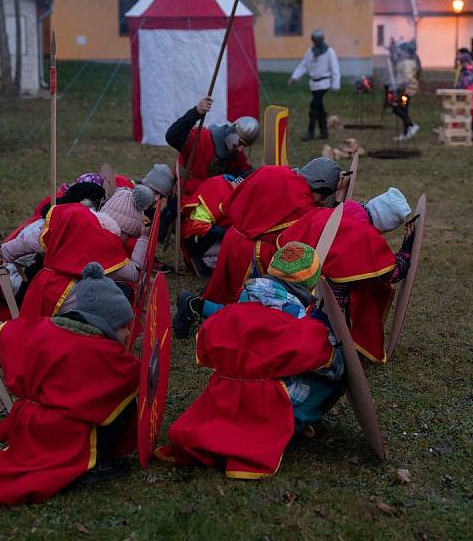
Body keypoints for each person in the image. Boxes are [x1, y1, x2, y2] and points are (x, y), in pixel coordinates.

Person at [157, 243, 345, 478]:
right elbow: (330, 365)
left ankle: (223, 430)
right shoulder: (301, 323)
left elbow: (207, 344)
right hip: (267, 401)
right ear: (310, 284)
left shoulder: (231, 311)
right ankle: (293, 422)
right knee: (335, 375)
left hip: (223, 395)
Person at [0, 263, 140, 507]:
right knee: (125, 405)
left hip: (28, 425)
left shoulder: (43, 329)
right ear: (105, 324)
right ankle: (95, 463)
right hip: (62, 434)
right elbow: (133, 379)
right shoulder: (106, 355)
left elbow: (1, 332)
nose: (127, 333)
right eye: (123, 326)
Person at [173, 157, 342, 336]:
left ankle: (194, 305)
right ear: (318, 185)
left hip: (232, 237)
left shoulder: (272, 170)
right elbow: (301, 236)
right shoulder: (302, 202)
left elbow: (234, 196)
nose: (321, 201)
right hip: (251, 253)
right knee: (249, 307)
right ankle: (195, 306)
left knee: (225, 291)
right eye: (323, 196)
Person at [278, 187, 414, 362]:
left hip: (290, 286)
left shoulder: (327, 212)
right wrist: (407, 249)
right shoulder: (365, 236)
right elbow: (391, 274)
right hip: (323, 304)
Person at [0, 185, 154, 319]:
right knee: (121, 292)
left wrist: (5, 252)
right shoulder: (108, 245)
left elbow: (30, 241)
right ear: (124, 232)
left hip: (40, 287)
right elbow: (135, 273)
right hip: (67, 297)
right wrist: (144, 239)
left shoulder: (74, 219)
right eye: (129, 236)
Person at [0, 180, 107, 320]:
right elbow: (27, 244)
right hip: (40, 282)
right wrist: (3, 253)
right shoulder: (51, 227)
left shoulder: (87, 227)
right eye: (100, 204)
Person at [165, 98, 259, 199]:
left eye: (244, 146)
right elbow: (172, 136)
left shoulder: (236, 156)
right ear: (233, 131)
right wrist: (196, 112)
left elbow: (247, 175)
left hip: (208, 204)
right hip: (183, 198)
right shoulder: (201, 139)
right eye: (240, 142)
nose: (240, 149)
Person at [287, 28, 341, 141]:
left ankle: (310, 133)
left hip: (324, 84)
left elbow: (335, 68)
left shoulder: (329, 52)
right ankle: (324, 132)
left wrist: (335, 84)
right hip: (314, 84)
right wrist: (295, 77)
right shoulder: (310, 52)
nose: (315, 43)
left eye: (316, 41)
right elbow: (303, 65)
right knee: (319, 108)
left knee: (313, 107)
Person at [389, 40, 421, 141]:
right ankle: (406, 133)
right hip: (406, 90)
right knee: (404, 109)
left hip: (404, 91)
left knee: (396, 108)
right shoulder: (408, 61)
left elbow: (407, 77)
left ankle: (412, 125)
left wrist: (398, 85)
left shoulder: (406, 62)